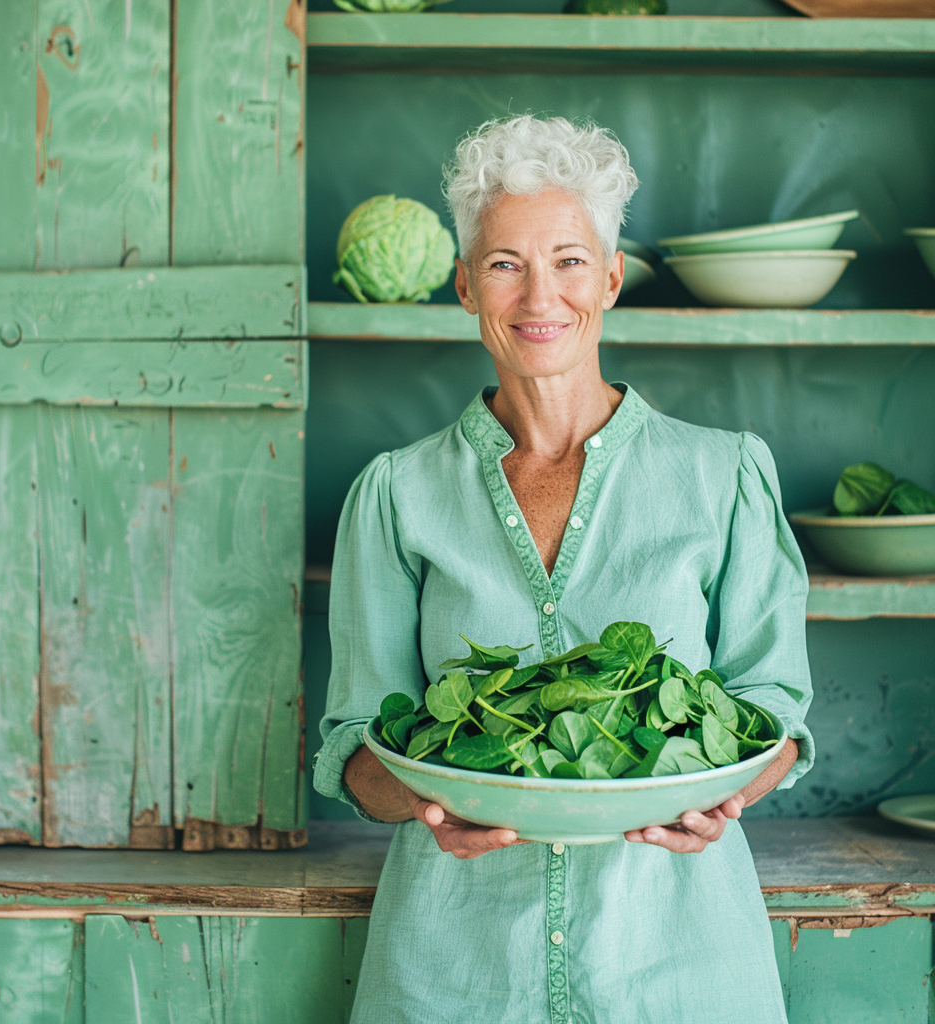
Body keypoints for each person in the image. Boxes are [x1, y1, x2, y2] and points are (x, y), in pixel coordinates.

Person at [313, 114, 813, 1024]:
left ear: (612, 277)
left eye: (570, 259)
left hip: (680, 966)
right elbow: (357, 747)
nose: (539, 293)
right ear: (465, 285)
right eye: (505, 262)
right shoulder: (395, 494)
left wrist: (725, 790)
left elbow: (773, 709)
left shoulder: (724, 474)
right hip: (455, 973)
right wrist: (429, 800)